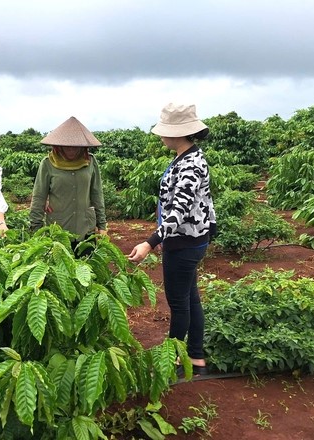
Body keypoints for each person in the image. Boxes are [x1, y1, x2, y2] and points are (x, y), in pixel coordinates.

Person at [127, 103, 217, 377]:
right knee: (191, 300)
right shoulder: (189, 156)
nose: (161, 136)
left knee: (179, 305)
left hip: (184, 243)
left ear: (178, 133)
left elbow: (179, 211)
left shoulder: (190, 163)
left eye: (165, 131)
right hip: (192, 241)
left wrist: (150, 242)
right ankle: (196, 357)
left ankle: (173, 362)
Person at [29, 116, 107, 255]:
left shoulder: (90, 162)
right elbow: (39, 197)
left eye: (75, 146)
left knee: (87, 271)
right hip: (59, 229)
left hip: (86, 229)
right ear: (58, 146)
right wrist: (36, 229)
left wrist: (102, 225)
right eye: (67, 146)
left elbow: (97, 194)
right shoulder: (47, 164)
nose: (71, 149)